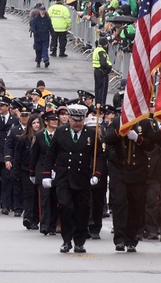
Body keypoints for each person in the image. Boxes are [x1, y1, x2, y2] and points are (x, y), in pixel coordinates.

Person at [42, 105, 106, 254]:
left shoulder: (91, 134)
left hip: (82, 179)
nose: (77, 123)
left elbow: (99, 156)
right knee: (65, 208)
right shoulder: (60, 132)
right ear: (69, 118)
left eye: (80, 120)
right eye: (75, 120)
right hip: (64, 178)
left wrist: (97, 174)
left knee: (82, 211)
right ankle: (66, 240)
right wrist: (46, 174)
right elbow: (51, 154)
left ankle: (79, 242)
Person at [105, 118, 156, 252]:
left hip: (137, 170)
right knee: (119, 202)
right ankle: (120, 239)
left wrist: (138, 139)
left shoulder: (144, 123)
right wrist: (119, 132)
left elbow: (151, 145)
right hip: (119, 169)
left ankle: (131, 239)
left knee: (136, 205)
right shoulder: (116, 122)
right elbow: (107, 139)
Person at [29, 110, 60, 234]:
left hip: (57, 170)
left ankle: (52, 226)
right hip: (42, 170)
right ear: (46, 122)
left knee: (55, 199)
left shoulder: (61, 134)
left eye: (56, 119)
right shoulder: (40, 135)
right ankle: (44, 224)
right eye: (52, 120)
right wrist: (32, 172)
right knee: (45, 198)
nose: (55, 122)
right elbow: (34, 155)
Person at [93, 37, 113, 106]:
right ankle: (101, 105)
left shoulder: (97, 49)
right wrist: (109, 67)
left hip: (97, 71)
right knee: (102, 90)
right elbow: (103, 63)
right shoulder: (102, 52)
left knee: (97, 89)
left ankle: (97, 104)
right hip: (102, 72)